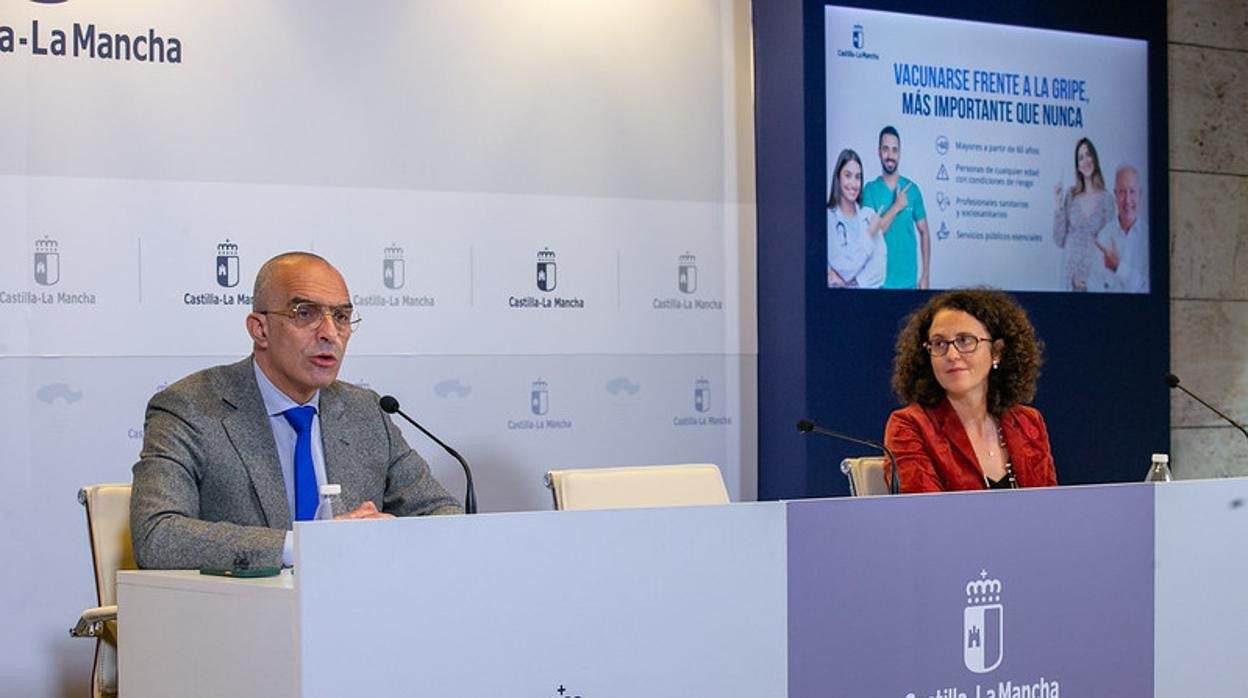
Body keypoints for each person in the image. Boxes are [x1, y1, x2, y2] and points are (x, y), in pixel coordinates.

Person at [130, 252, 462, 570]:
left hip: (359, 612)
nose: (330, 334)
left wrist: (391, 534)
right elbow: (158, 536)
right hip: (245, 618)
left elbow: (443, 513)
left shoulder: (366, 412)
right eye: (305, 313)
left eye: (342, 317)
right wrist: (302, 548)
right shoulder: (191, 408)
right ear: (260, 329)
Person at [884, 289, 1057, 492]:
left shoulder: (1028, 422)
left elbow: (1050, 511)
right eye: (939, 344)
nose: (951, 354)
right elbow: (926, 516)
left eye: (965, 340)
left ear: (997, 352)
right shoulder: (910, 426)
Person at [862, 126, 930, 289]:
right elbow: (873, 234)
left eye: (894, 150)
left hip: (909, 285)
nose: (890, 155)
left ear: (899, 154)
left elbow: (924, 232)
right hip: (879, 284)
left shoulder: (912, 189)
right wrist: (897, 206)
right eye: (885, 149)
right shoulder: (870, 190)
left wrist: (925, 275)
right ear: (879, 152)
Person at [1052, 137, 1116, 291]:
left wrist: (1094, 277)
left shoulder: (1107, 199)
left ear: (1094, 158)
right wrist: (1057, 203)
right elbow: (1059, 240)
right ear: (1078, 166)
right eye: (1080, 158)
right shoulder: (1071, 195)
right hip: (1070, 276)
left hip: (1095, 278)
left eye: (1088, 155)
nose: (1085, 160)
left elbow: (1110, 246)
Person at [827, 148, 886, 288]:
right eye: (848, 175)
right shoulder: (828, 218)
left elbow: (880, 269)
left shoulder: (869, 215)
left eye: (858, 177)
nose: (853, 184)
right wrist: (869, 234)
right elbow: (844, 268)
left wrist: (852, 283)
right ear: (838, 177)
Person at [1091, 164, 1149, 293]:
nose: (1127, 200)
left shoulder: (1150, 238)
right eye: (1122, 192)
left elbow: (1147, 289)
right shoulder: (1103, 237)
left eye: (1132, 191)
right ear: (1115, 195)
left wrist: (1118, 267)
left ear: (1140, 194)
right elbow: (1094, 289)